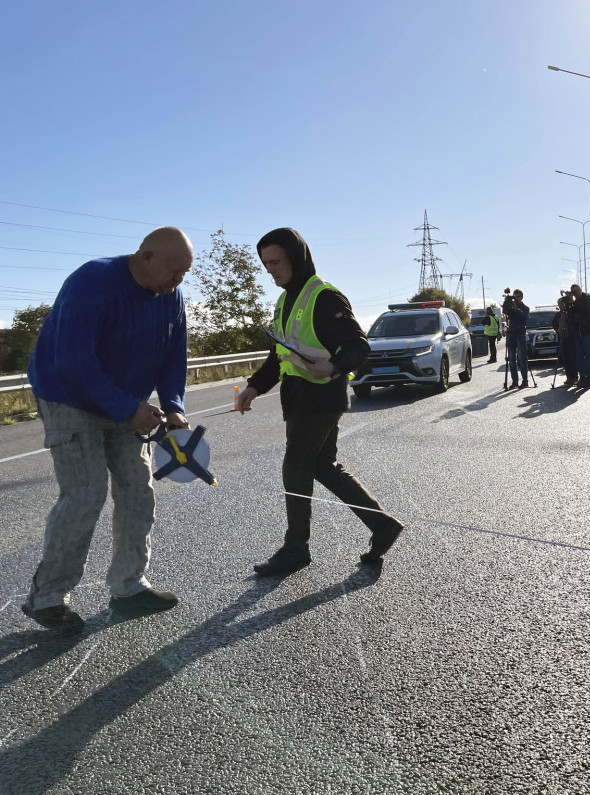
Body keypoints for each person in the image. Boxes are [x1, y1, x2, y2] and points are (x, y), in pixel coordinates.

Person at [21, 227, 194, 631]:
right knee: (86, 492)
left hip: (127, 402)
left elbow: (174, 354)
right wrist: (127, 408)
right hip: (69, 398)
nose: (177, 281)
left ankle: (129, 586)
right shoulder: (92, 282)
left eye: (184, 274)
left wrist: (173, 405)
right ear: (146, 256)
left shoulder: (172, 297)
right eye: (174, 271)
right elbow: (72, 361)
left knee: (139, 487)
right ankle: (47, 597)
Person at [237, 228, 403, 575]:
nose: (272, 271)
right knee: (322, 466)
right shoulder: (284, 301)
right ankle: (382, 525)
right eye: (266, 265)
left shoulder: (324, 296)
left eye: (276, 262)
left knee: (296, 467)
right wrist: (254, 386)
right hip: (297, 398)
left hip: (320, 397)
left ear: (296, 258)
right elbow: (278, 354)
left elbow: (359, 346)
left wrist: (335, 365)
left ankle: (296, 547)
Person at [569, 284, 590, 388]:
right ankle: (582, 378)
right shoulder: (574, 303)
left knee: (588, 357)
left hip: (587, 332)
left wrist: (574, 304)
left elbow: (585, 310)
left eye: (577, 291)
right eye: (573, 292)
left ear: (580, 290)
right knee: (580, 357)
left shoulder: (587, 300)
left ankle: (589, 379)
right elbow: (571, 315)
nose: (575, 293)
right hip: (578, 332)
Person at [501, 289, 530, 389]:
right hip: (512, 335)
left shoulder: (525, 308)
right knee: (512, 360)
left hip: (521, 335)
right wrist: (507, 301)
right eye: (515, 296)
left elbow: (524, 317)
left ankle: (525, 381)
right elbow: (504, 311)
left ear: (522, 297)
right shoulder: (511, 307)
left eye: (518, 297)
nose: (516, 298)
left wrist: (516, 308)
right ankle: (515, 382)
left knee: (522, 359)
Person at [552, 295, 579, 386]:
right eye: (559, 304)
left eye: (562, 304)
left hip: (571, 338)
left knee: (572, 358)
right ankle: (569, 377)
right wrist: (558, 331)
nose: (561, 306)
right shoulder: (558, 315)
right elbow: (554, 324)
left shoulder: (570, 313)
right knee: (565, 359)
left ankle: (574, 377)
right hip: (563, 338)